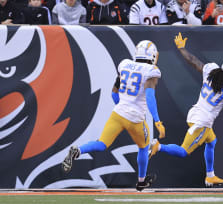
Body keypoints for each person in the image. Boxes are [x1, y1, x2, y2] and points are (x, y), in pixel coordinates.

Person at [62, 40, 166, 192]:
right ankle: (141, 181)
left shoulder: (125, 64)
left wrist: (123, 105)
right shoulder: (151, 70)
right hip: (136, 118)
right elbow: (150, 96)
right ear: (151, 55)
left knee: (102, 143)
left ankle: (78, 150)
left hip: (118, 113)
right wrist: (157, 121)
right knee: (144, 147)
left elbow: (113, 93)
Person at [148, 32, 223, 187]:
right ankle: (158, 146)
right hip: (202, 121)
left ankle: (210, 176)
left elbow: (193, 61)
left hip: (194, 113)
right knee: (183, 151)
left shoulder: (213, 72)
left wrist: (181, 49)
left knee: (212, 141)